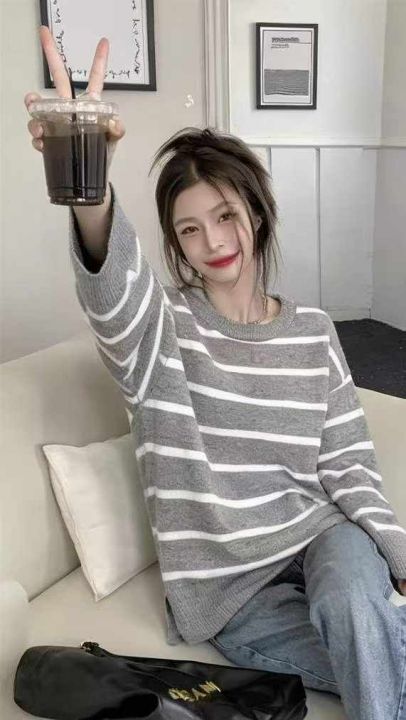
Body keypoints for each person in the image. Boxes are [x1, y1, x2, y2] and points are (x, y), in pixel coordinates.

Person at [25, 27, 406, 720]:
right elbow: (113, 295)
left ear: (256, 212)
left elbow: (349, 464)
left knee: (357, 600)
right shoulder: (162, 332)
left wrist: (396, 556)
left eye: (225, 215)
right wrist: (88, 182)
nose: (214, 241)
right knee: (379, 654)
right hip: (233, 590)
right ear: (175, 244)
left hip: (326, 542)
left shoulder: (315, 331)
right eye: (189, 229)